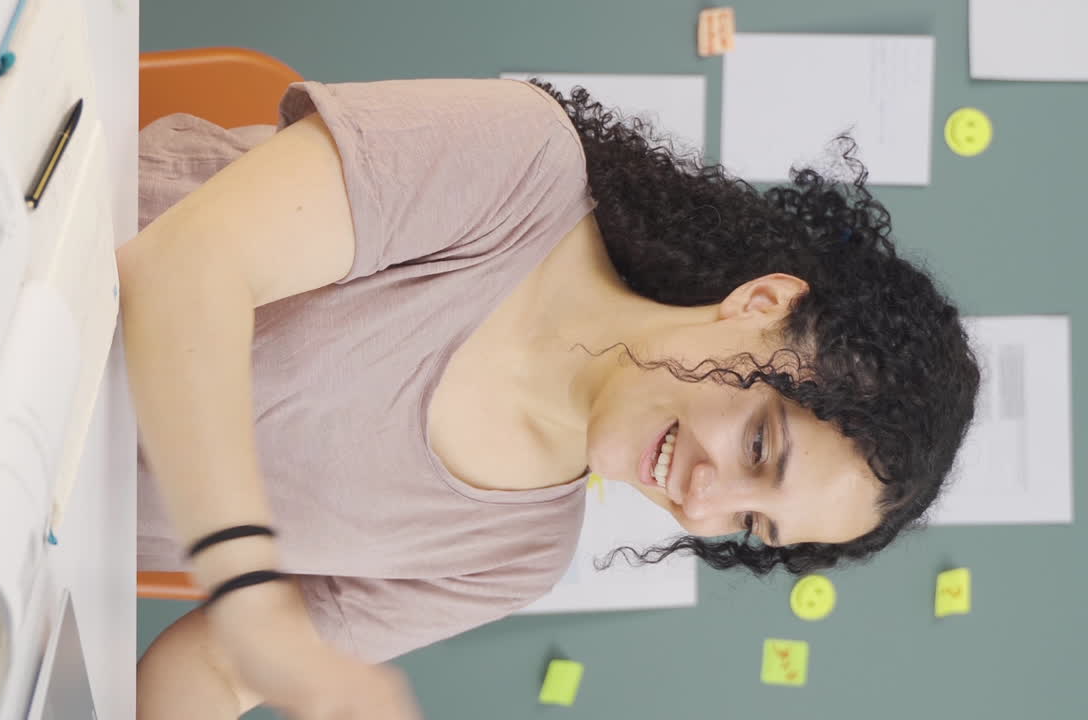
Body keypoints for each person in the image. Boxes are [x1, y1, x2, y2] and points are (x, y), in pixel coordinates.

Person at [121, 78, 979, 719]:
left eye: (753, 525)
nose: (703, 503)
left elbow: (212, 672)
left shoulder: (514, 556)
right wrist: (247, 586)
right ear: (761, 306)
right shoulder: (522, 168)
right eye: (760, 446)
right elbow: (182, 267)